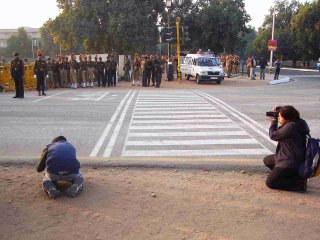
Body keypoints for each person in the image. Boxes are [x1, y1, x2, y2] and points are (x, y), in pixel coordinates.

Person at [264, 105, 310, 192]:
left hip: (290, 161)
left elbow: (273, 135)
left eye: (280, 116)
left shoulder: (290, 127)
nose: (278, 118)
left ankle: (298, 184)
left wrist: (274, 122)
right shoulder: (300, 122)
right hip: (291, 156)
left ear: (287, 118)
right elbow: (291, 114)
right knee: (267, 160)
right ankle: (288, 175)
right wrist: (282, 109)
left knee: (270, 183)